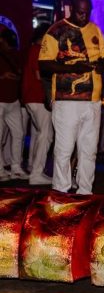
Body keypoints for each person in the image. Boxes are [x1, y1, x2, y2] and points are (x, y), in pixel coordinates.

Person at [39, 0, 104, 194]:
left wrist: (102, 66)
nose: (84, 16)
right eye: (80, 12)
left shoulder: (95, 29)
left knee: (89, 151)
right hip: (66, 101)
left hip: (93, 102)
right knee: (64, 150)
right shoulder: (56, 31)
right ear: (71, 9)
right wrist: (73, 69)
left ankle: (85, 191)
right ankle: (61, 191)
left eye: (87, 12)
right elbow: (44, 64)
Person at [21, 25, 54, 185]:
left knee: (39, 133)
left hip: (31, 97)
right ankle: (36, 173)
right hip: (37, 97)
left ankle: (33, 167)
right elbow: (39, 74)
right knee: (46, 135)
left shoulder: (34, 49)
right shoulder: (38, 49)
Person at [0, 25, 27, 181]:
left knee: (19, 134)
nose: (9, 44)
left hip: (13, 100)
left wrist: (15, 76)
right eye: (7, 41)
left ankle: (16, 167)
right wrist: (3, 76)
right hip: (0, 101)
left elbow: (20, 74)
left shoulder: (15, 55)